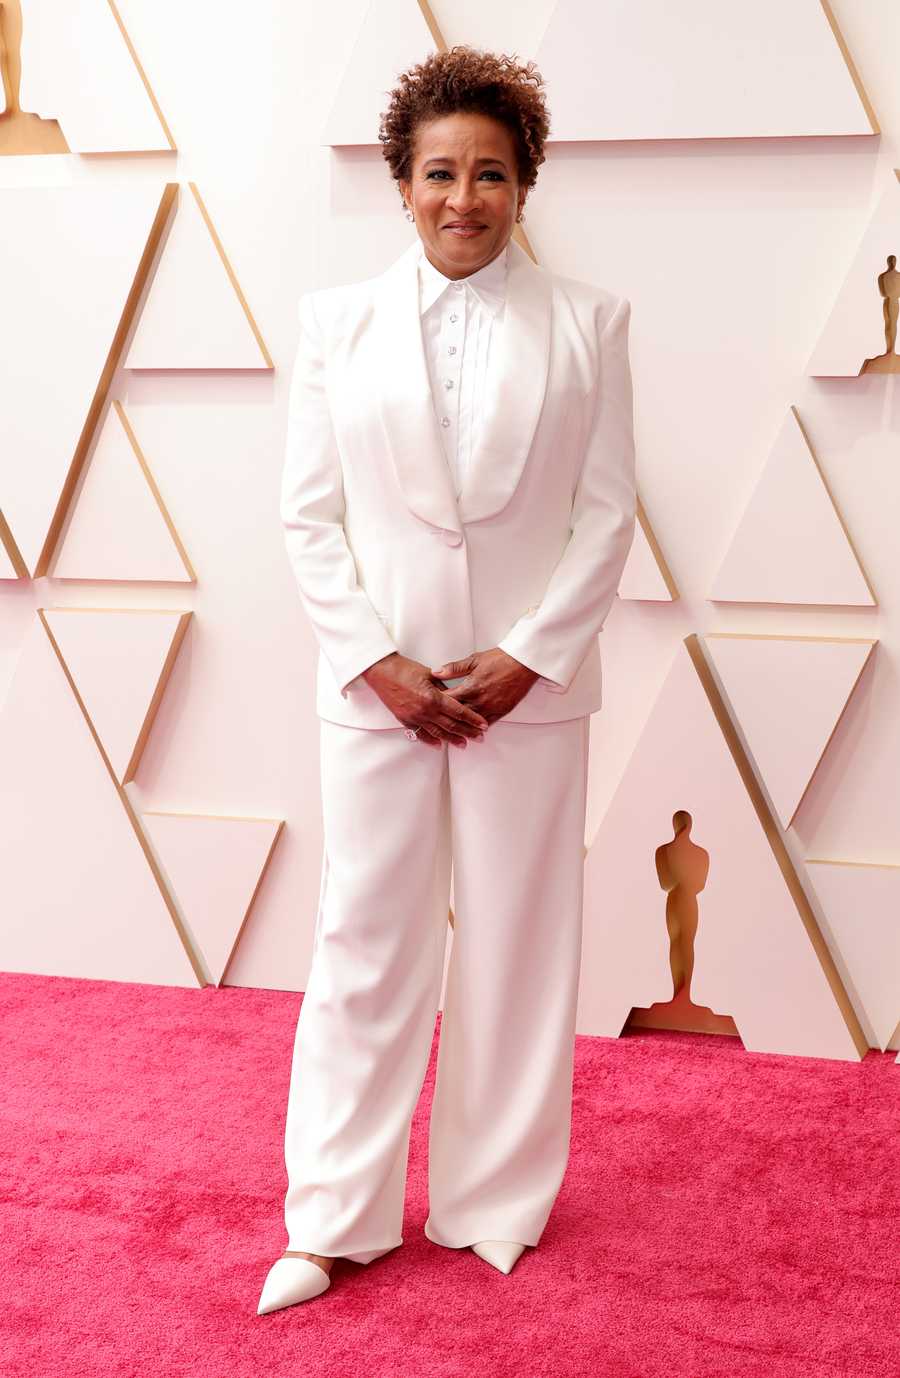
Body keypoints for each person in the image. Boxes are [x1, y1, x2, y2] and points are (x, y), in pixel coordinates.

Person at [258, 44, 636, 1316]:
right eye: (439, 173)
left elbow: (607, 513)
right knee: (364, 943)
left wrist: (531, 656)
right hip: (379, 692)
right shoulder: (335, 323)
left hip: (532, 693)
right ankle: (333, 1217)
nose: (462, 197)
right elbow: (308, 517)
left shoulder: (592, 324)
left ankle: (495, 1200)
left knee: (519, 945)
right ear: (401, 184)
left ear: (525, 184)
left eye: (488, 173)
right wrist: (378, 663)